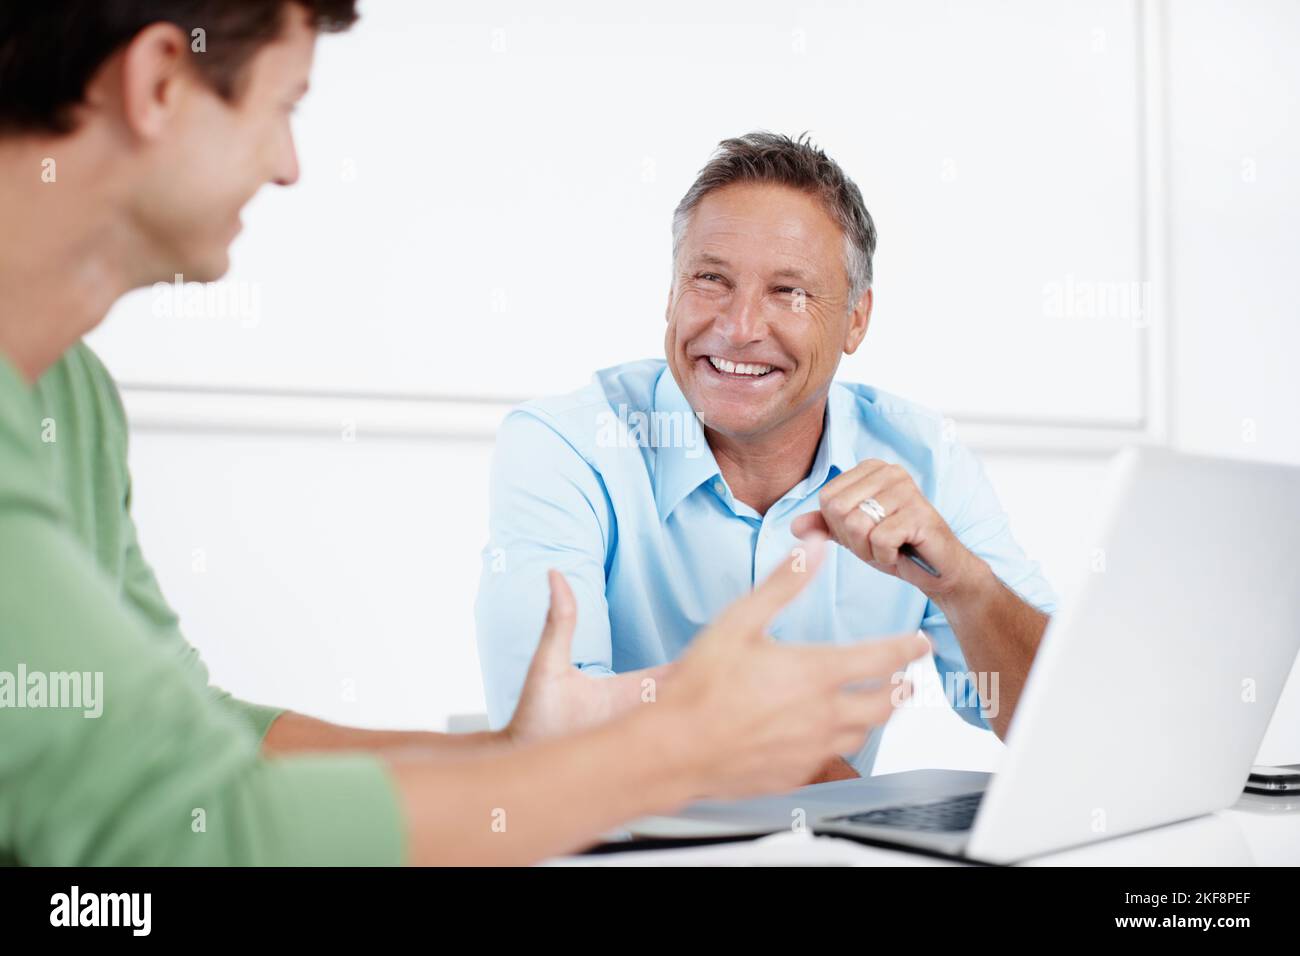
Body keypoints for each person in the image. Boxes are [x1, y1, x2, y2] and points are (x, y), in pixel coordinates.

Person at [0, 2, 927, 865]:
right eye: (283, 105)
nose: (288, 163)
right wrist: (670, 751)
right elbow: (190, 831)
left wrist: (512, 752)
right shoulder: (570, 439)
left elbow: (187, 738)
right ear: (161, 80)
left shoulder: (70, 397)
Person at [477, 132, 1057, 781]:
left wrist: (967, 588)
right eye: (710, 279)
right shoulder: (567, 446)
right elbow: (547, 726)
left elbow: (1059, 725)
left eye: (790, 292)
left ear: (857, 321)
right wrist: (815, 773)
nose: (739, 326)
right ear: (671, 295)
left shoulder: (926, 460)